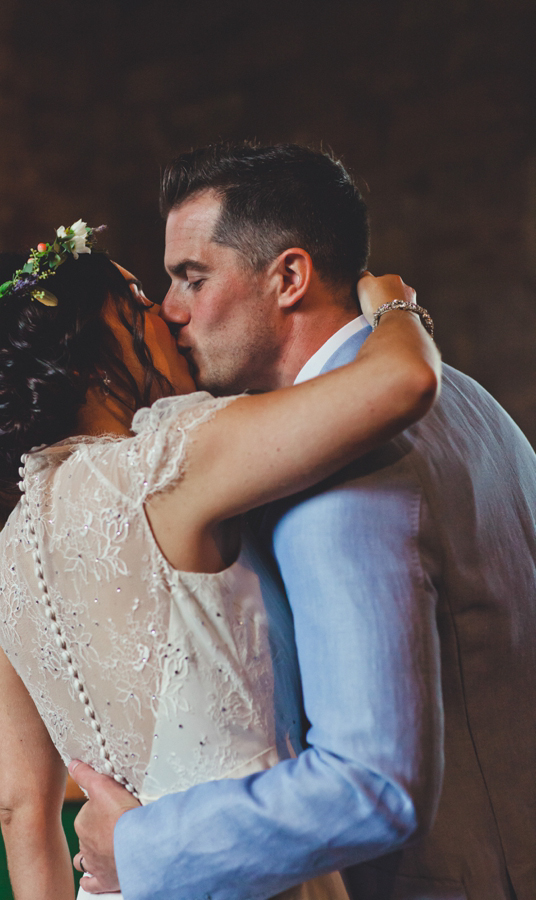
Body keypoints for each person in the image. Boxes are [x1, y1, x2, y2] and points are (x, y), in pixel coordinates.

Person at [71, 144, 536, 900]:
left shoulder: (343, 466)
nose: (169, 309)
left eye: (193, 276)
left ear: (288, 277)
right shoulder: (474, 400)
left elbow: (370, 783)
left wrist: (143, 850)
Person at [0, 219, 439, 900]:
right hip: (242, 873)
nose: (167, 314)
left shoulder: (7, 570)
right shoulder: (165, 461)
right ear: (89, 350)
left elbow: (22, 814)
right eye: (138, 299)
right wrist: (392, 307)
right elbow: (405, 380)